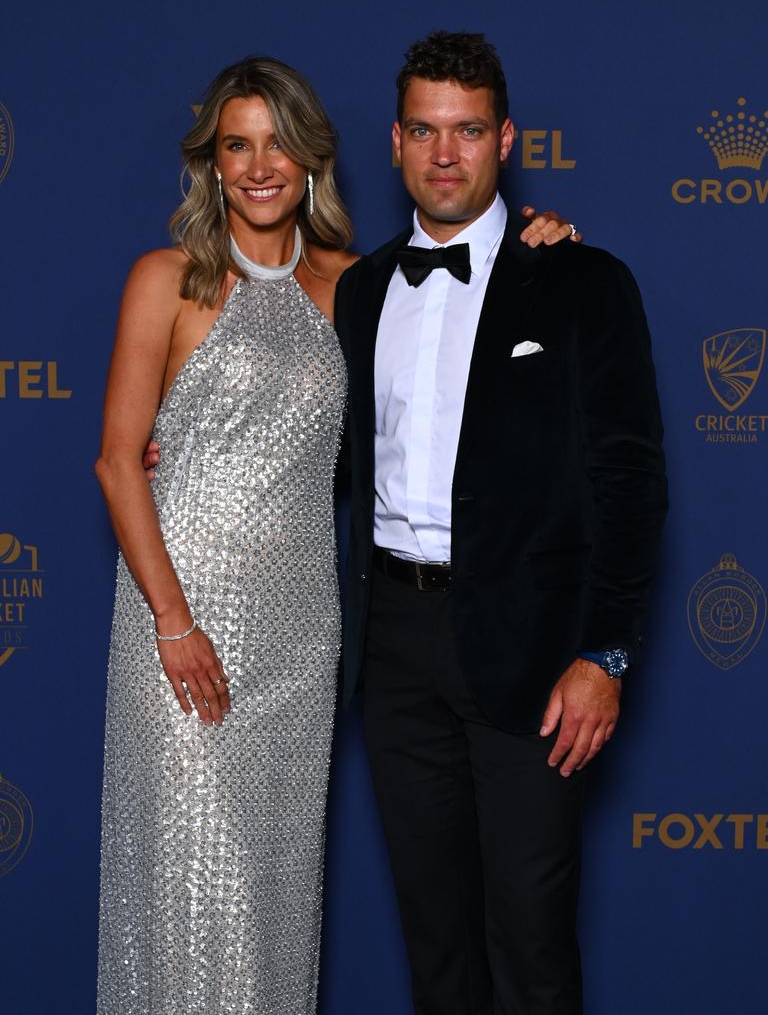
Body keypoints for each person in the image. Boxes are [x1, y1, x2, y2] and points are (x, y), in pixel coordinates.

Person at [100, 54, 577, 1015]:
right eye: (238, 145)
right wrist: (174, 622)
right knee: (191, 888)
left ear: (314, 156)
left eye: (279, 142)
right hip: (182, 629)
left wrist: (539, 249)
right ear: (213, 163)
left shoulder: (356, 289)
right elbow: (119, 462)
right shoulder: (165, 279)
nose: (260, 164)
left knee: (275, 896)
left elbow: (432, 413)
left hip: (305, 635)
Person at [335, 31, 668, 1015]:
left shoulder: (580, 280)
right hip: (394, 645)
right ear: (395, 142)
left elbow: (631, 481)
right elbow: (345, 458)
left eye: (469, 130)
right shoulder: (359, 291)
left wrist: (604, 652)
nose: (447, 154)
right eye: (427, 131)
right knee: (435, 943)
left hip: (532, 650)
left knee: (530, 942)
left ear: (505, 139)